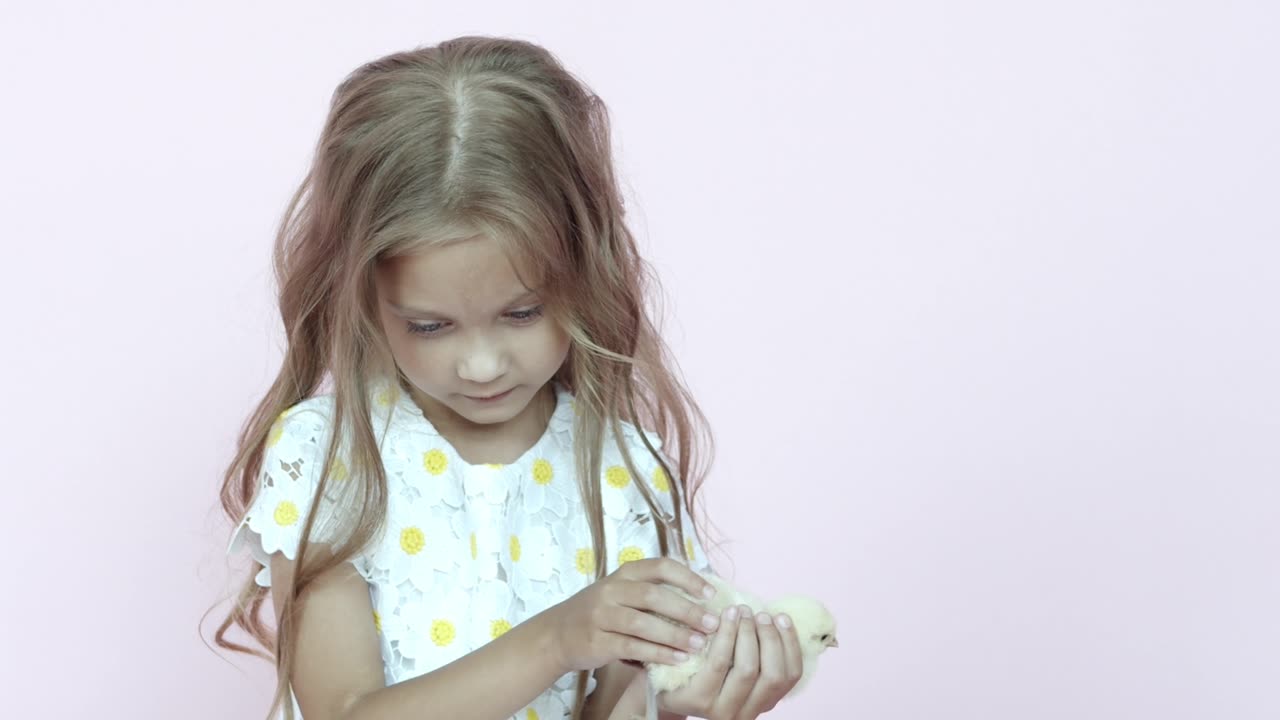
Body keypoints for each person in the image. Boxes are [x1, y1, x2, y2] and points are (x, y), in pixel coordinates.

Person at [215, 35, 807, 720]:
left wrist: (676, 700)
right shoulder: (331, 458)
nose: (482, 365)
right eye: (430, 326)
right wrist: (558, 638)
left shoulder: (623, 472)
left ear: (587, 273)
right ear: (365, 297)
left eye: (523, 312)